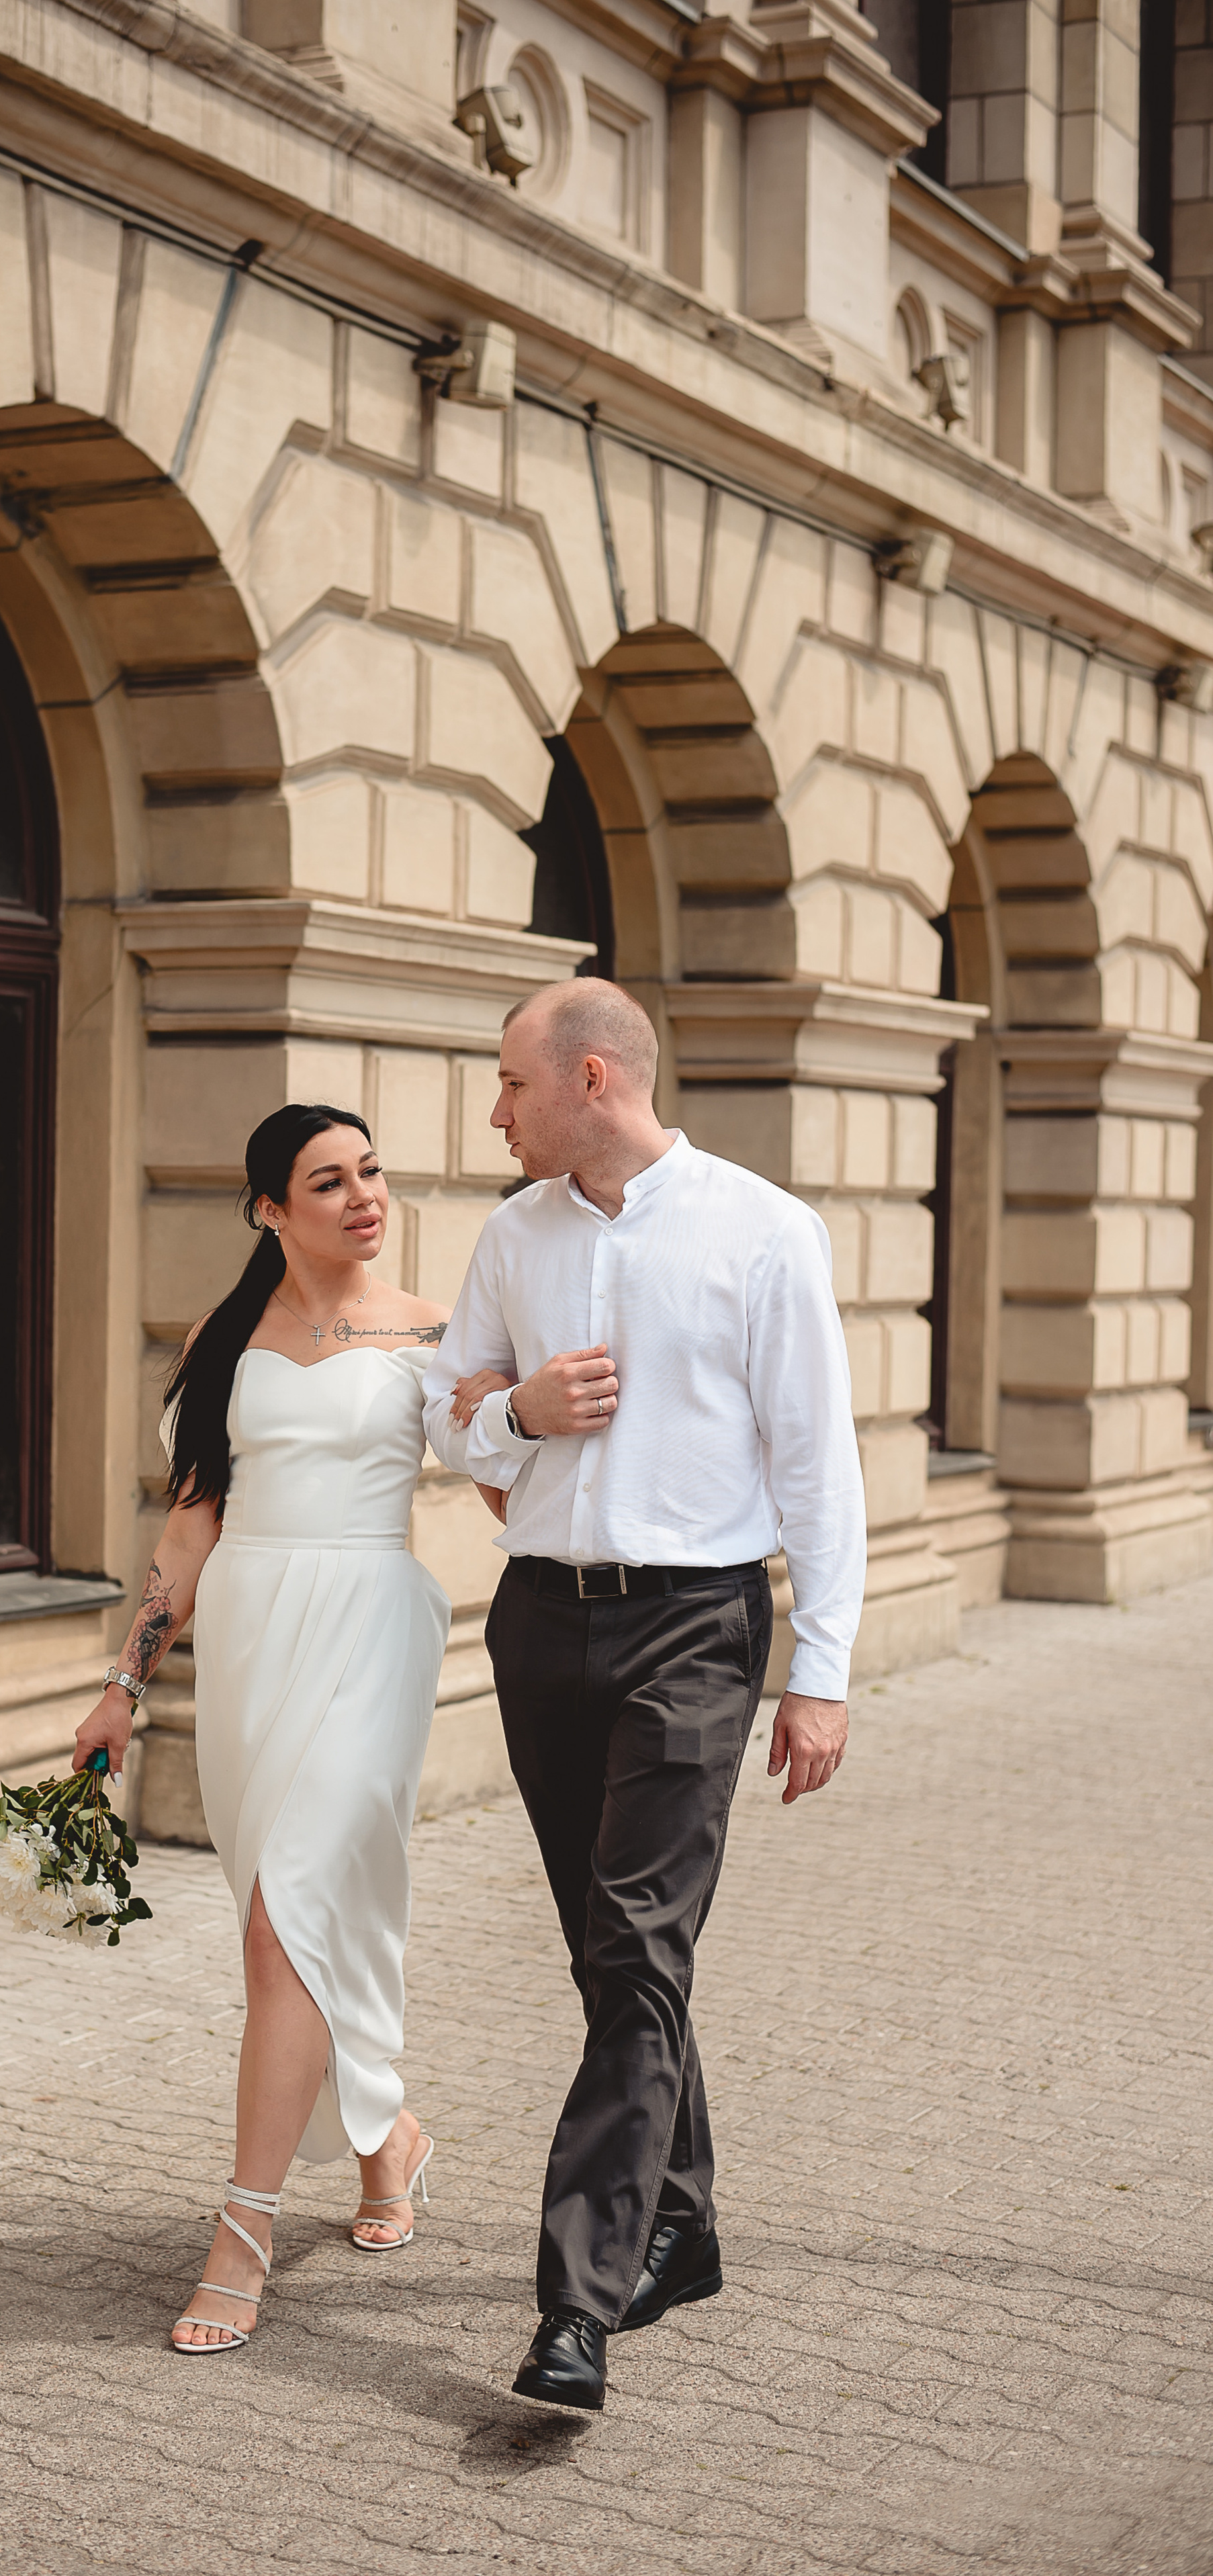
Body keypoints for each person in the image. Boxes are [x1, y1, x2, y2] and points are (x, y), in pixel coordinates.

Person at [422, 979, 866, 2413]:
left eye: (507, 1083)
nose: (493, 1110)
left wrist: (821, 1671)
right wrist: (517, 1413)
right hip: (541, 1622)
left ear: (590, 1077)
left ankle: (576, 2304)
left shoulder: (760, 1230)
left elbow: (816, 1463)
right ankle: (681, 2221)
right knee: (617, 1957)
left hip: (694, 1626)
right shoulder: (513, 1232)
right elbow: (450, 1414)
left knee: (631, 1941)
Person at [73, 1103, 508, 2354]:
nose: (365, 1195)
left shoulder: (432, 1332)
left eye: (371, 1172)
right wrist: (127, 1681)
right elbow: (189, 1528)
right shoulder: (225, 1339)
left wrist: (512, 1411)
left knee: (292, 1917)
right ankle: (390, 2144)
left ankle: (242, 2236)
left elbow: (502, 1478)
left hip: (372, 1627)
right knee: (301, 1924)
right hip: (254, 1643)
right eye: (331, 1180)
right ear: (273, 1207)